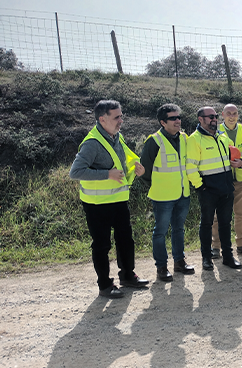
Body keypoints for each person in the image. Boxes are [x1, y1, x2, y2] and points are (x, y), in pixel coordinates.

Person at [69, 100, 149, 299]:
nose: (121, 120)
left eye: (121, 116)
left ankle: (127, 276)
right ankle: (105, 285)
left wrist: (136, 167)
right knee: (102, 245)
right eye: (117, 117)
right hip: (97, 205)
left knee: (125, 240)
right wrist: (107, 174)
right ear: (102, 119)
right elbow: (76, 172)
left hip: (119, 200)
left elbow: (123, 160)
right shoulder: (92, 143)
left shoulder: (116, 136)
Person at [140, 103, 195, 282]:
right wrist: (157, 186)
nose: (178, 121)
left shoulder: (185, 138)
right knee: (160, 232)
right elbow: (144, 171)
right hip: (162, 197)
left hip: (182, 194)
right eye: (173, 118)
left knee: (179, 229)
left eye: (179, 117)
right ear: (163, 122)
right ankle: (161, 267)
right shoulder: (154, 141)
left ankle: (179, 262)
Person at [186, 106, 242, 271]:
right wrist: (201, 188)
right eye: (210, 116)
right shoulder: (194, 139)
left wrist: (241, 163)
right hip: (208, 191)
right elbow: (190, 168)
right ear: (200, 119)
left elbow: (236, 157)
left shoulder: (223, 138)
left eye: (215, 116)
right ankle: (206, 258)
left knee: (225, 224)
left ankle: (228, 257)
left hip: (226, 190)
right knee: (206, 224)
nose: (214, 119)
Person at [210, 104, 242, 258]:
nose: (232, 116)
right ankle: (216, 247)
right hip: (222, 179)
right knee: (218, 215)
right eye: (228, 113)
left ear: (238, 115)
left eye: (234, 113)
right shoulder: (215, 130)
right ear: (222, 114)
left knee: (241, 214)